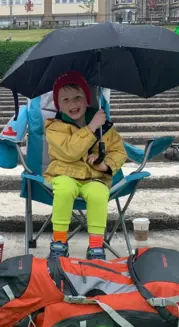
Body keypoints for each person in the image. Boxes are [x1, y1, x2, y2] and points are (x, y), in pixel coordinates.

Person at [44, 71, 127, 261]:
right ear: (58, 105)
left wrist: (105, 165)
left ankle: (96, 246)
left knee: (99, 193)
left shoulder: (103, 124)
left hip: (94, 177)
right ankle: (59, 242)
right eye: (65, 100)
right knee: (64, 189)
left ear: (87, 99)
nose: (72, 104)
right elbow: (71, 151)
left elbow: (119, 151)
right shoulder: (54, 127)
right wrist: (90, 128)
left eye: (77, 98)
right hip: (65, 174)